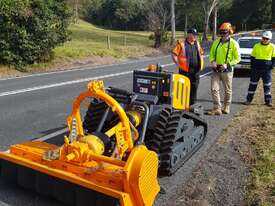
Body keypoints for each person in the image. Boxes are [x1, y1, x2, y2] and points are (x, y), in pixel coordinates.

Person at [208, 22, 240, 115]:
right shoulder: (216, 42)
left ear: (229, 32)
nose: (223, 34)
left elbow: (238, 58)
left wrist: (228, 64)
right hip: (216, 70)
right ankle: (217, 108)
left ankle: (227, 106)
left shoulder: (234, 44)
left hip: (227, 70)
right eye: (221, 32)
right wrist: (213, 61)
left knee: (228, 90)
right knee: (214, 88)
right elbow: (211, 54)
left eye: (225, 32)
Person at [171, 28, 204, 105]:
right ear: (189, 35)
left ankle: (192, 105)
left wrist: (200, 62)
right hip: (185, 71)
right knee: (183, 89)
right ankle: (182, 105)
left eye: (196, 35)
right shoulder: (182, 44)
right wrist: (178, 64)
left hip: (195, 71)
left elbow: (201, 53)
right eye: (194, 35)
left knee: (194, 88)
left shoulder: (197, 44)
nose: (195, 37)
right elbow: (174, 54)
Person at [244, 31, 275, 107]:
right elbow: (252, 57)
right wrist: (253, 66)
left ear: (269, 39)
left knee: (267, 85)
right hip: (256, 69)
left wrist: (272, 66)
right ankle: (248, 100)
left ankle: (268, 101)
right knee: (252, 84)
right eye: (264, 38)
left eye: (267, 39)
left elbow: (274, 58)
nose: (265, 40)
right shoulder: (256, 46)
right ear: (262, 38)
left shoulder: (272, 46)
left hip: (267, 69)